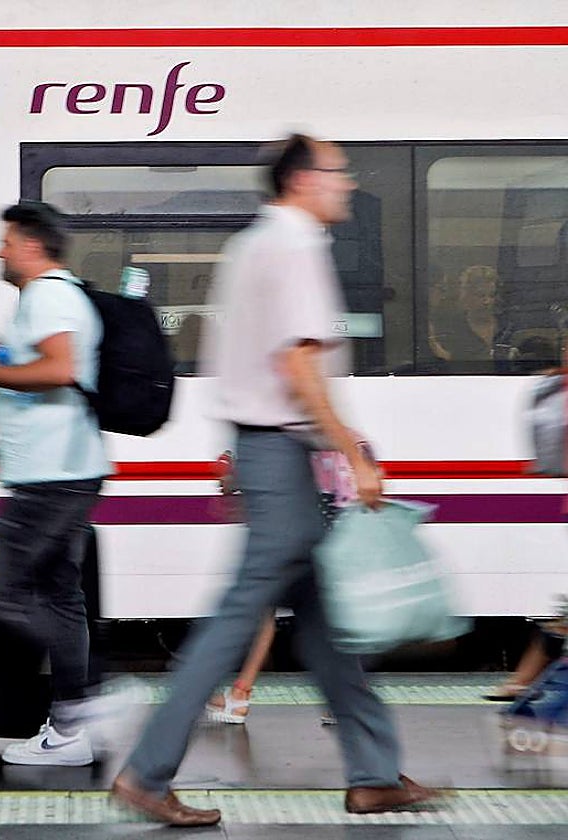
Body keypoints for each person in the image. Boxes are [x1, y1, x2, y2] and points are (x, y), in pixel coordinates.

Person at [111, 135, 440, 826]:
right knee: (238, 617)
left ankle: (374, 773)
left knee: (323, 626)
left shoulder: (260, 242)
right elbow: (298, 366)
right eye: (338, 173)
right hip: (279, 458)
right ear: (302, 180)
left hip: (271, 454)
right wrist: (352, 452)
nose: (347, 184)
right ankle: (146, 772)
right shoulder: (292, 245)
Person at [0, 202, 111, 766]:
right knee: (60, 597)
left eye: (6, 241)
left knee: (5, 588)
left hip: (54, 475)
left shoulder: (48, 296)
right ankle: (68, 730)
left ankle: (85, 709)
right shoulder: (58, 295)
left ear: (31, 246)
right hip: (60, 467)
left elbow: (61, 369)